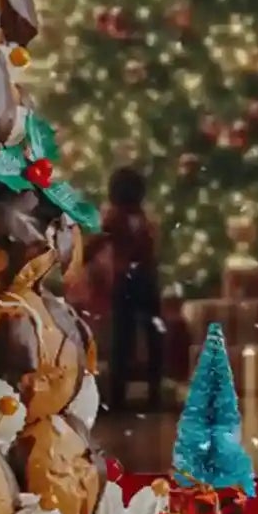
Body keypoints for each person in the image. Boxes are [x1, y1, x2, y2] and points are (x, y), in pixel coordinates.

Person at [96, 164, 163, 412]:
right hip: (131, 280)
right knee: (124, 338)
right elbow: (98, 240)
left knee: (149, 336)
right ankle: (118, 396)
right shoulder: (118, 218)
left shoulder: (141, 219)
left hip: (141, 279)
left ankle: (150, 393)